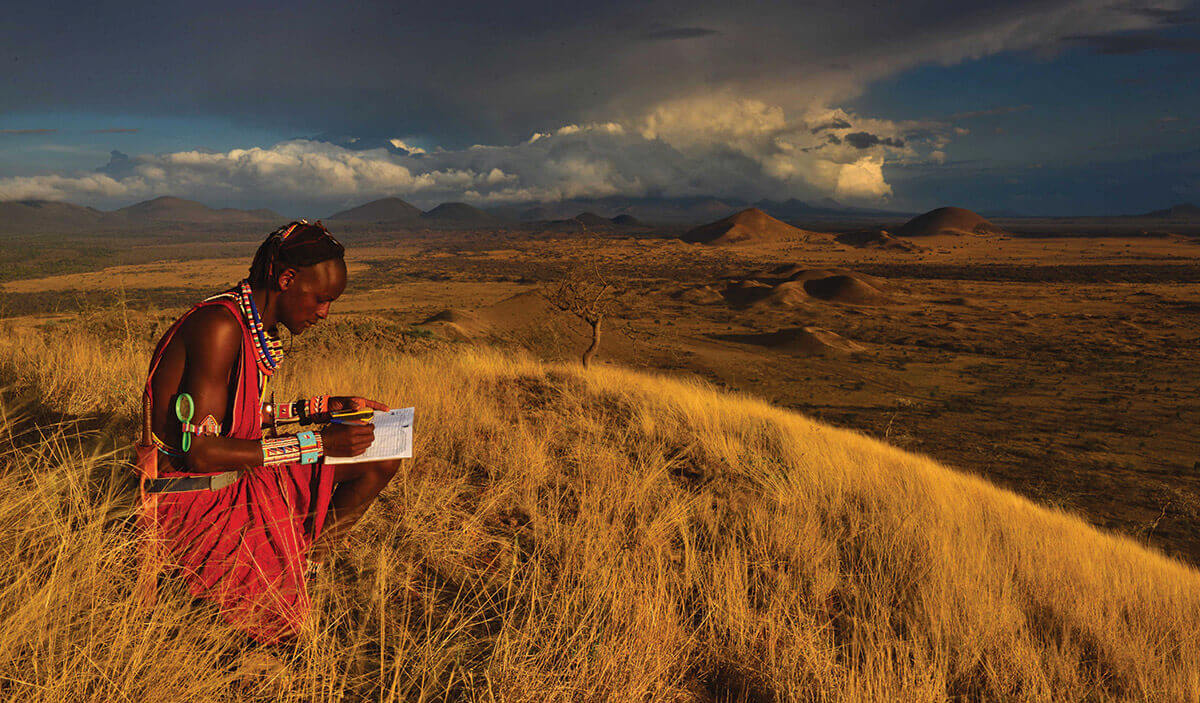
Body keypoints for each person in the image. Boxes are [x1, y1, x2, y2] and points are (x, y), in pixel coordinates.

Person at [134, 220, 400, 642]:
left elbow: (235, 417)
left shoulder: (245, 321)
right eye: (321, 299)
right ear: (287, 279)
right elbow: (200, 453)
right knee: (285, 631)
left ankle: (305, 566)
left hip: (232, 472)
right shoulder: (220, 328)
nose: (324, 313)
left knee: (381, 457)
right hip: (196, 495)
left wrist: (318, 409)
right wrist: (316, 443)